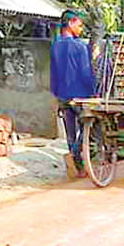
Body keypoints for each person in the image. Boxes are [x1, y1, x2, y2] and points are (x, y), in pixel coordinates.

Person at [50, 10, 96, 177]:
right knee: (87, 127)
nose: (81, 28)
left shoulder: (55, 45)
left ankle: (76, 165)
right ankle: (76, 156)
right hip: (80, 95)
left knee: (70, 132)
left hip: (62, 95)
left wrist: (56, 93)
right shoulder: (80, 47)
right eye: (79, 24)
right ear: (70, 23)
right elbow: (85, 73)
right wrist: (93, 92)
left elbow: (53, 73)